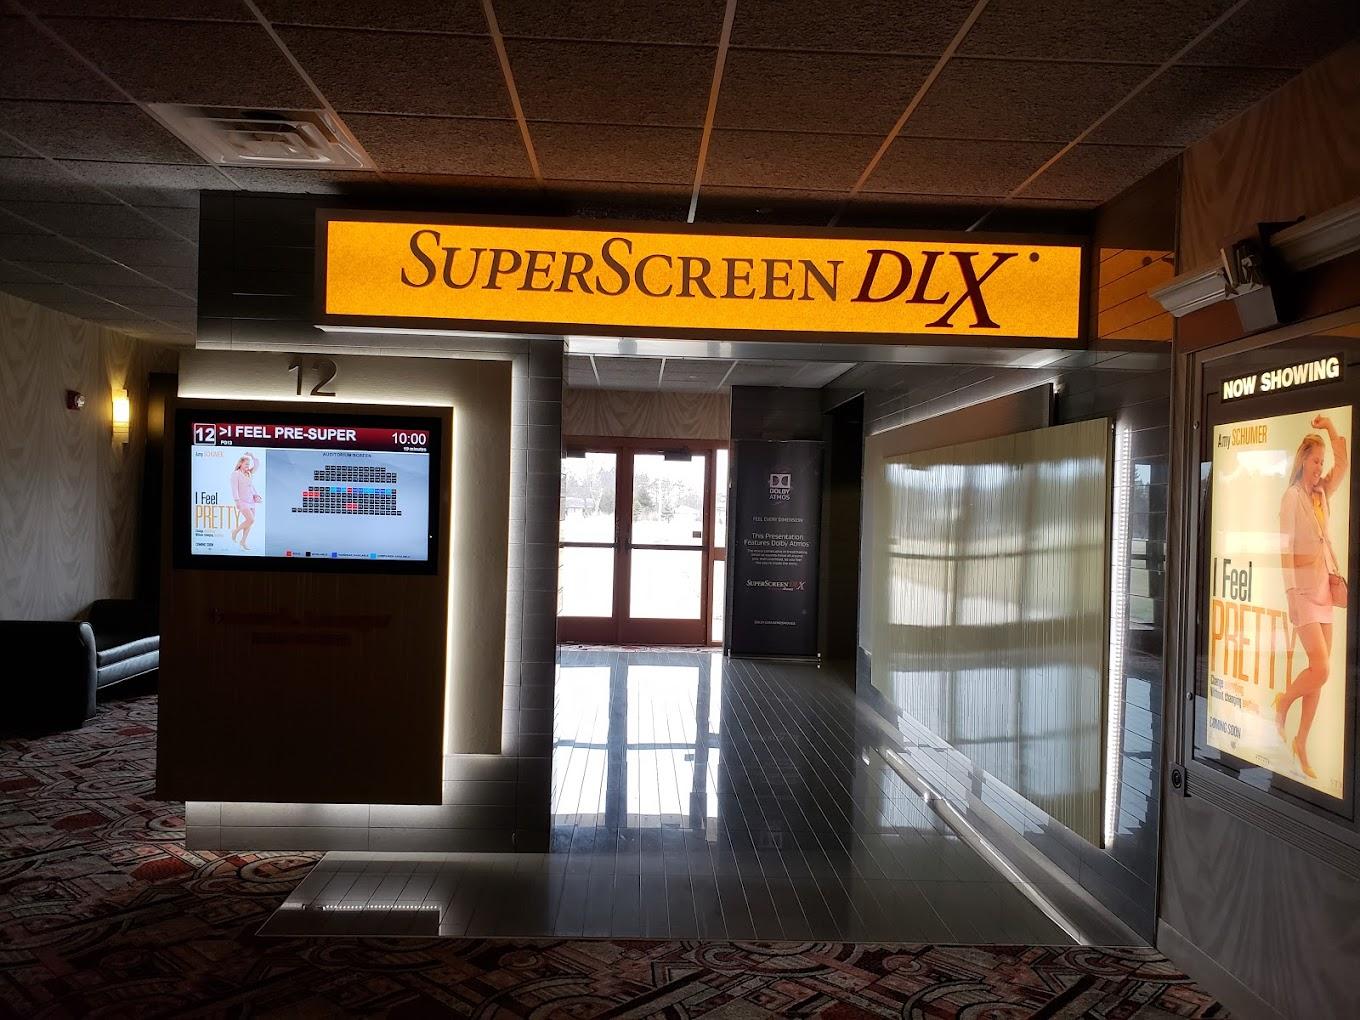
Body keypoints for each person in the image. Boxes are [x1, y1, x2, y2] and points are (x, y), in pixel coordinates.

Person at [1274, 415, 1348, 779]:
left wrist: (1331, 430)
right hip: (1302, 590)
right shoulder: (1291, 497)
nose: (1320, 467)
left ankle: (1301, 741)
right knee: (1321, 667)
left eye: (1322, 462)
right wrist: (1289, 593)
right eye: (1315, 460)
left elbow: (1343, 464)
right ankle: (1283, 700)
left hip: (1324, 590)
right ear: (1303, 459)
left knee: (1319, 674)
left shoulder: (1321, 494)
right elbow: (1285, 549)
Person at [230, 454, 263, 551]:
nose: (248, 466)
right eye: (246, 464)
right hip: (242, 501)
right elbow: (234, 488)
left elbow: (257, 465)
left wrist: (252, 456)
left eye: (249, 464)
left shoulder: (249, 472)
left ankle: (243, 541)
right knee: (251, 520)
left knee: (249, 522)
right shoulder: (236, 474)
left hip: (251, 500)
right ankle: (235, 531)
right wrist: (236, 501)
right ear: (240, 464)